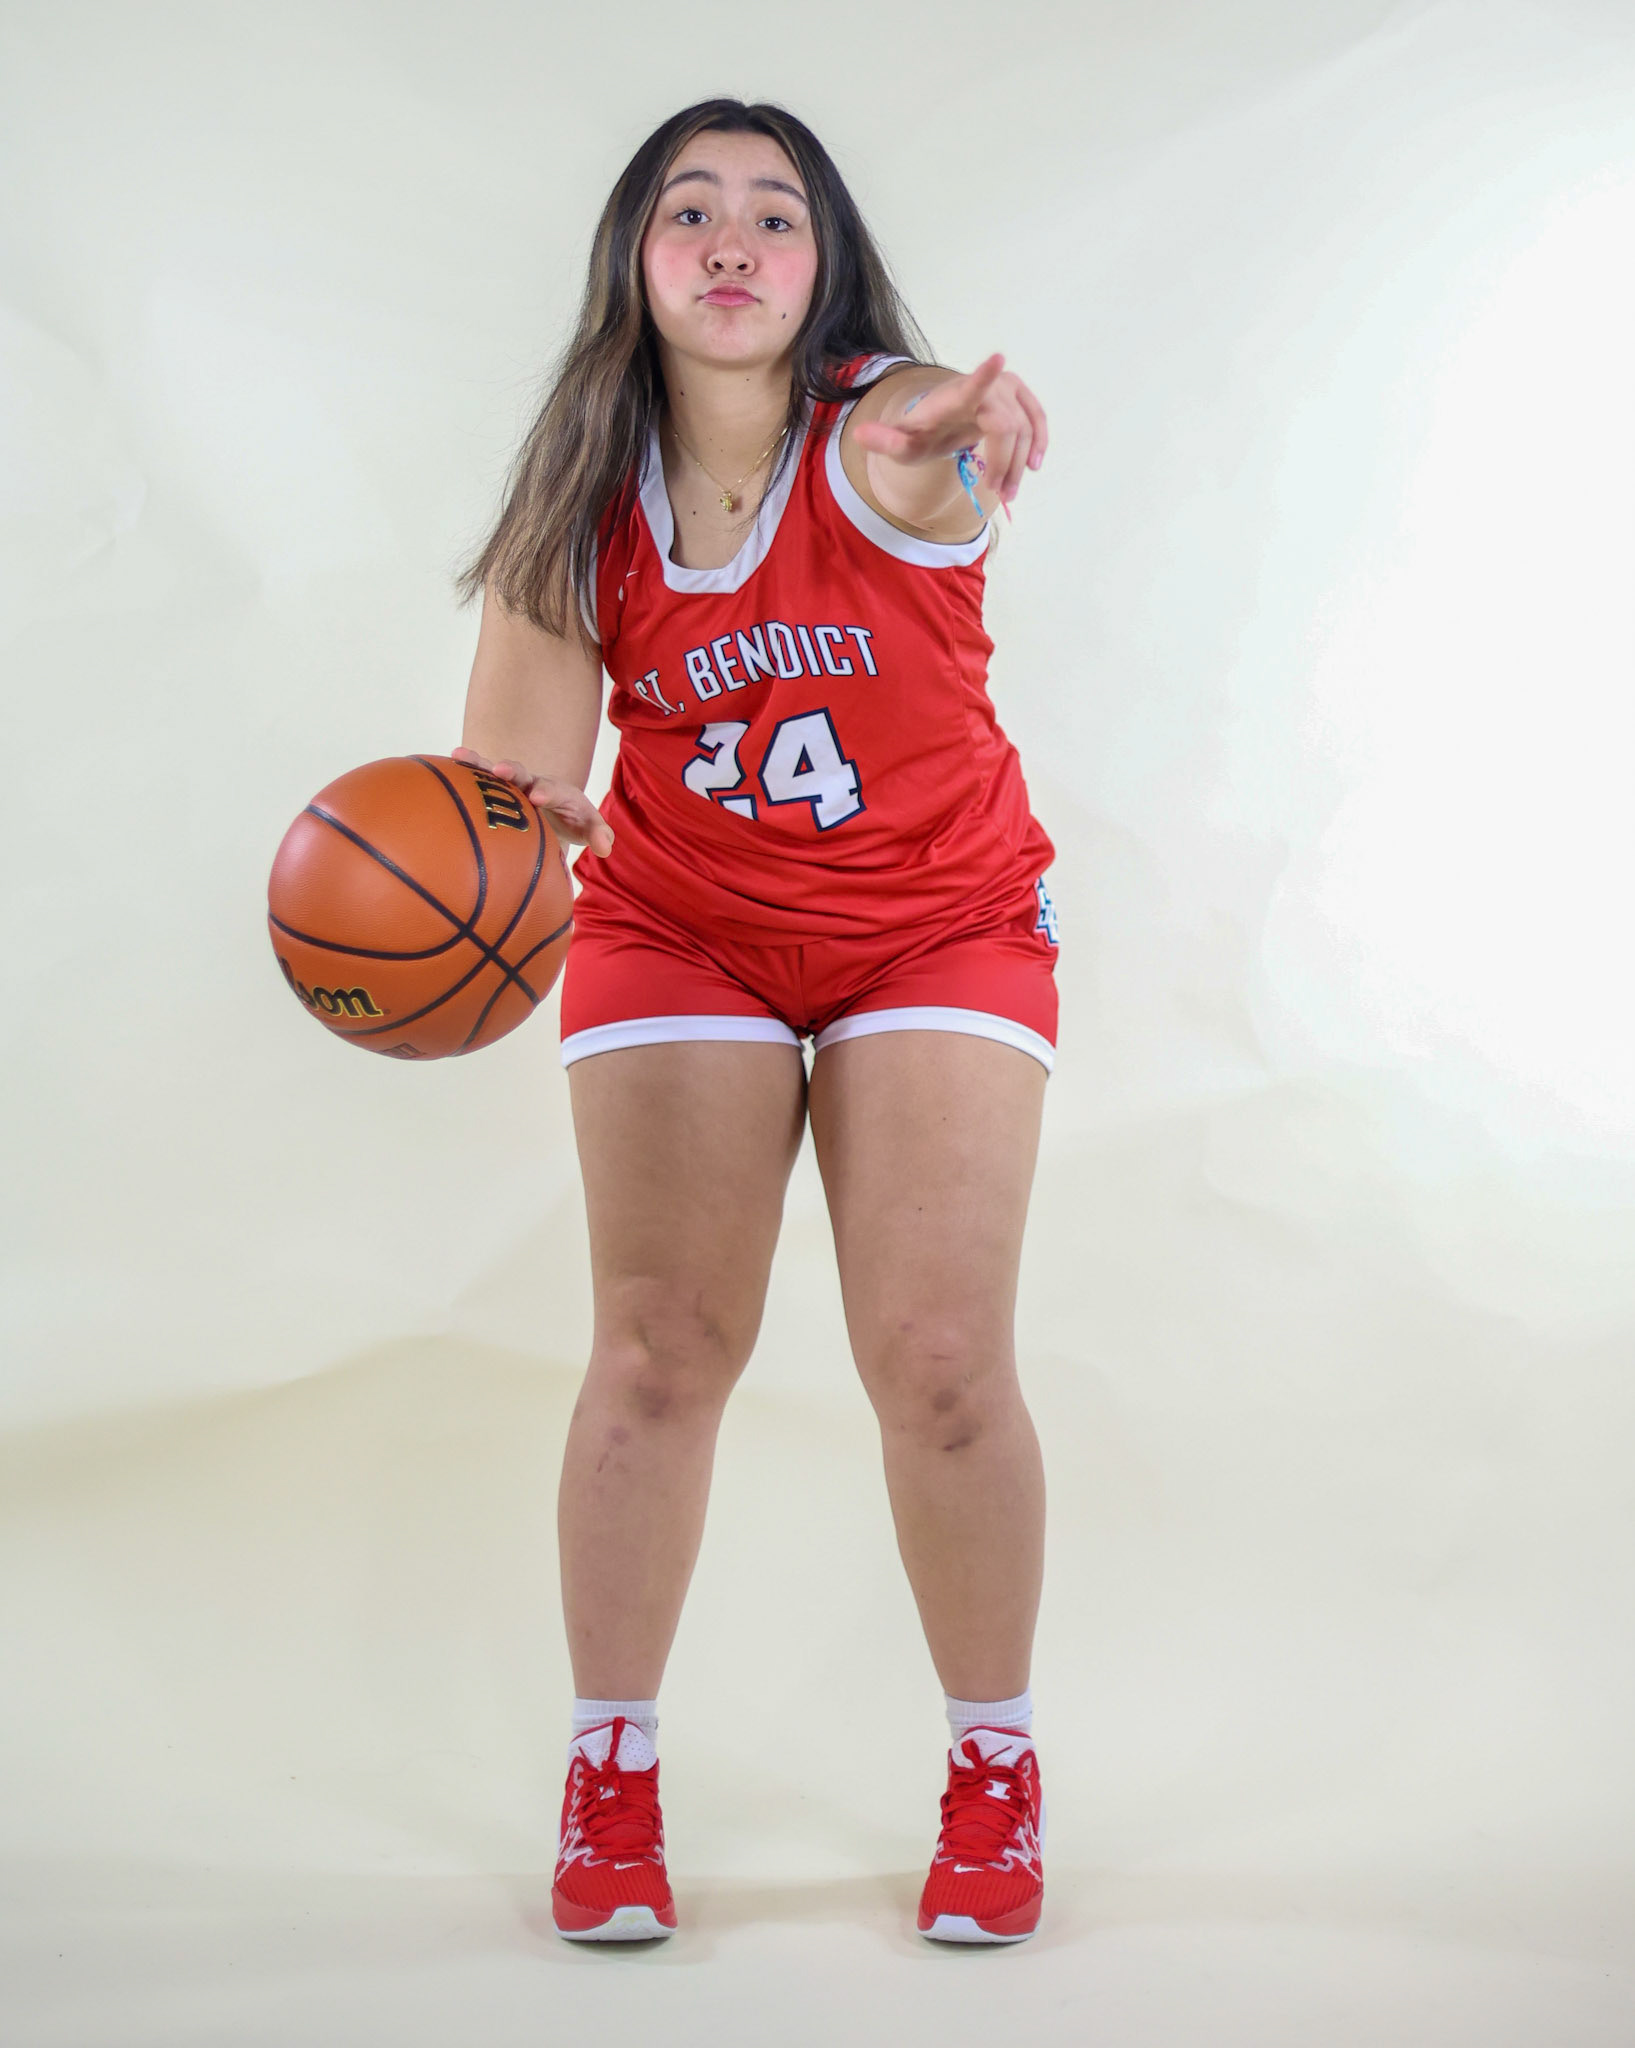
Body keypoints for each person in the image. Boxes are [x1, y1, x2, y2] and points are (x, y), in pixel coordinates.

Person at [453, 97, 1056, 1946]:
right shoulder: (582, 494)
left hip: (934, 921)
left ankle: (997, 1766)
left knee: (937, 1360)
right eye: (689, 210)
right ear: (634, 260)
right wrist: (491, 852)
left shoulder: (881, 428)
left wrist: (964, 426)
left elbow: (927, 450)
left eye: (776, 216)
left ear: (824, 265)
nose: (732, 240)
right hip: (685, 926)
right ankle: (611, 1770)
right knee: (657, 1351)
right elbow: (511, 801)